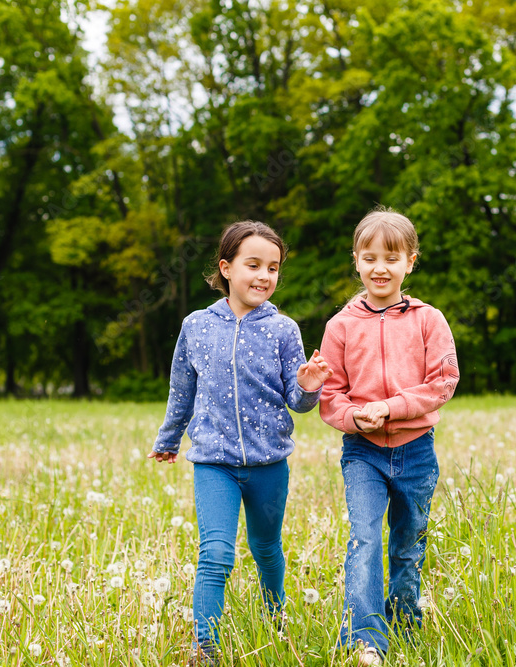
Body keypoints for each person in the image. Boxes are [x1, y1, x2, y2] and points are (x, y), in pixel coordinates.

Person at [149, 220, 333, 666]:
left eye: (273, 267)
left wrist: (308, 386)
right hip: (214, 463)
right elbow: (182, 391)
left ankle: (275, 620)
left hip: (269, 465)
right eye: (253, 265)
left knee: (267, 548)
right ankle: (206, 648)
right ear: (226, 268)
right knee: (215, 553)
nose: (264, 276)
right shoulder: (196, 325)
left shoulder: (284, 329)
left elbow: (297, 401)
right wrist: (169, 439)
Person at [319, 208, 460, 666]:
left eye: (391, 258)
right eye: (370, 258)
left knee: (408, 543)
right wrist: (353, 417)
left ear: (410, 262)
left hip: (416, 451)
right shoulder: (341, 326)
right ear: (356, 261)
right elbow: (330, 395)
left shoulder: (428, 320)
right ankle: (365, 640)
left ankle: (404, 622)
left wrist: (392, 407)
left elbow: (443, 382)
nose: (380, 268)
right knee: (364, 538)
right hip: (363, 452)